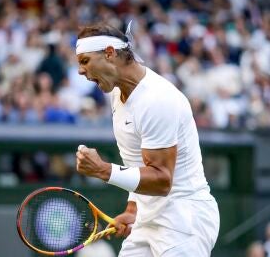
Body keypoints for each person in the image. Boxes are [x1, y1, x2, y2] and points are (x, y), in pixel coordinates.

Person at [75, 21, 220, 257]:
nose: (80, 71)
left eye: (84, 61)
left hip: (183, 221)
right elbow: (138, 163)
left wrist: (104, 170)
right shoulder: (116, 94)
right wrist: (132, 209)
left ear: (110, 53)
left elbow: (162, 181)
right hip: (146, 220)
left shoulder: (157, 100)